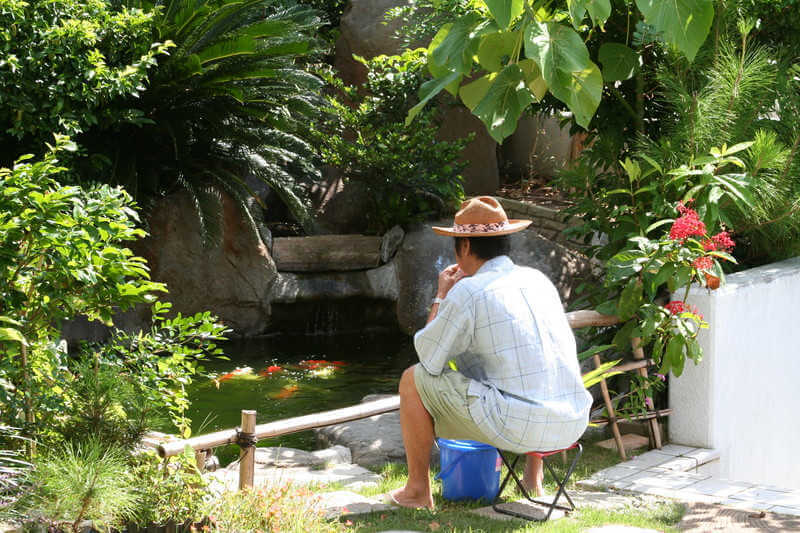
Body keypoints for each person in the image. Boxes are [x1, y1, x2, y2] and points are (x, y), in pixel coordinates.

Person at [387, 196, 592, 510]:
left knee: (412, 380)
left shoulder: (468, 290)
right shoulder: (538, 281)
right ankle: (533, 480)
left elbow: (428, 357)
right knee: (525, 372)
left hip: (519, 428)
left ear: (465, 246)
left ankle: (417, 490)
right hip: (572, 422)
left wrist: (442, 295)